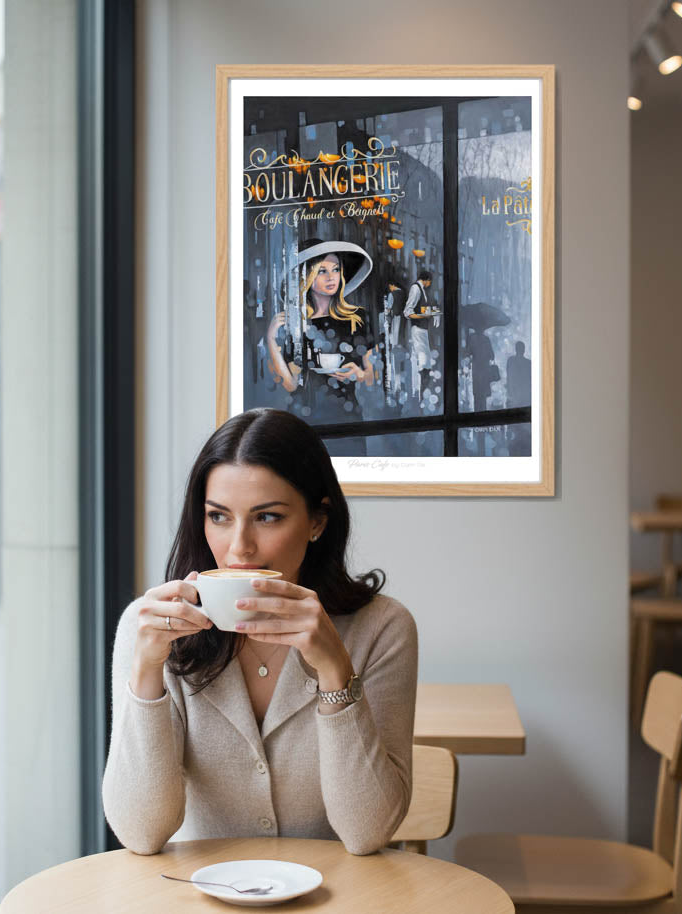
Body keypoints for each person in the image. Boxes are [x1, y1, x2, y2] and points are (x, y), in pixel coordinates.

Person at [102, 409, 418, 856]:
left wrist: (334, 668)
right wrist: (147, 674)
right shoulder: (152, 627)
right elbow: (140, 832)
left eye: (266, 517)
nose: (238, 547)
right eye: (219, 517)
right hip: (202, 896)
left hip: (342, 898)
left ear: (317, 522)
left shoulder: (382, 629)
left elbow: (368, 832)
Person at [266, 239, 378, 450]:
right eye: (322, 271)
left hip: (348, 418)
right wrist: (271, 340)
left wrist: (359, 374)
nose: (331, 277)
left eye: (335, 269)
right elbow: (290, 384)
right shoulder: (297, 325)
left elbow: (372, 377)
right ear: (307, 277)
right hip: (305, 421)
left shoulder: (358, 318)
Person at [403, 270, 434, 399]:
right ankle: (420, 396)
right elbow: (408, 311)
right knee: (422, 364)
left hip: (422, 330)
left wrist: (430, 312)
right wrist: (422, 316)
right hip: (418, 330)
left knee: (425, 364)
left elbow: (420, 308)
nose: (430, 284)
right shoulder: (416, 289)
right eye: (430, 282)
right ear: (426, 280)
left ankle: (422, 395)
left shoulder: (421, 289)